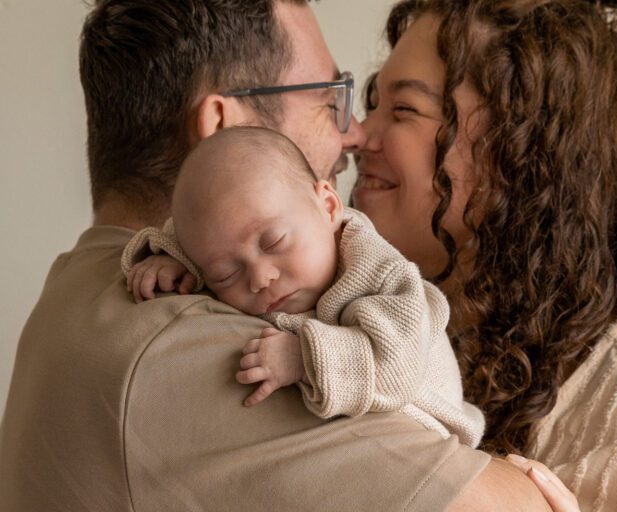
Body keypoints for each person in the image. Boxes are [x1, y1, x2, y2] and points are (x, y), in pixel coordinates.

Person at [0, 0, 567, 511]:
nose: (353, 135)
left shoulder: (86, 285)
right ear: (225, 125)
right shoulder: (194, 352)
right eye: (328, 101)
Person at [353, 0, 617, 510]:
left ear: (522, 148)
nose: (356, 135)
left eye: (403, 110)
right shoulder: (396, 354)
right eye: (372, 104)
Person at [121, 126, 485, 447]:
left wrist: (303, 358)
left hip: (429, 425)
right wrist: (173, 261)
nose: (261, 278)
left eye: (274, 243)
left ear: (328, 207)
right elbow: (206, 231)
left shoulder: (381, 274)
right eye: (225, 274)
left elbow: (396, 371)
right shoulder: (245, 236)